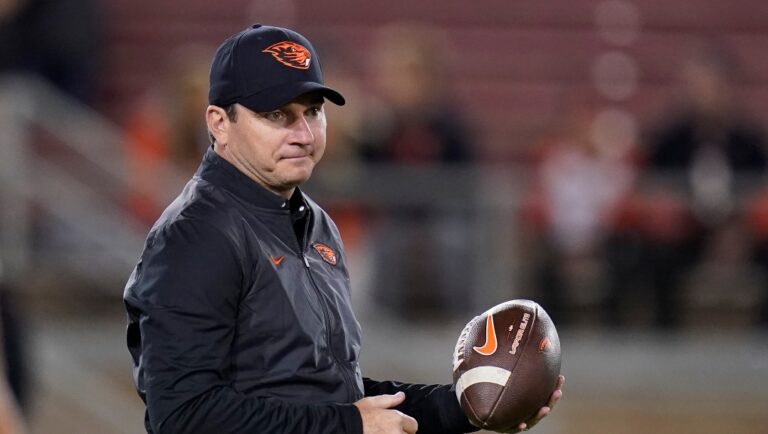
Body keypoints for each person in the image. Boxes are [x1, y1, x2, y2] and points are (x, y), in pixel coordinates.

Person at [123, 24, 563, 433]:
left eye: (312, 112)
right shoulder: (196, 234)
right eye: (276, 115)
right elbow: (181, 414)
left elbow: (329, 391)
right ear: (220, 123)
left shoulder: (312, 221)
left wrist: (464, 406)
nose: (303, 133)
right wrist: (349, 426)